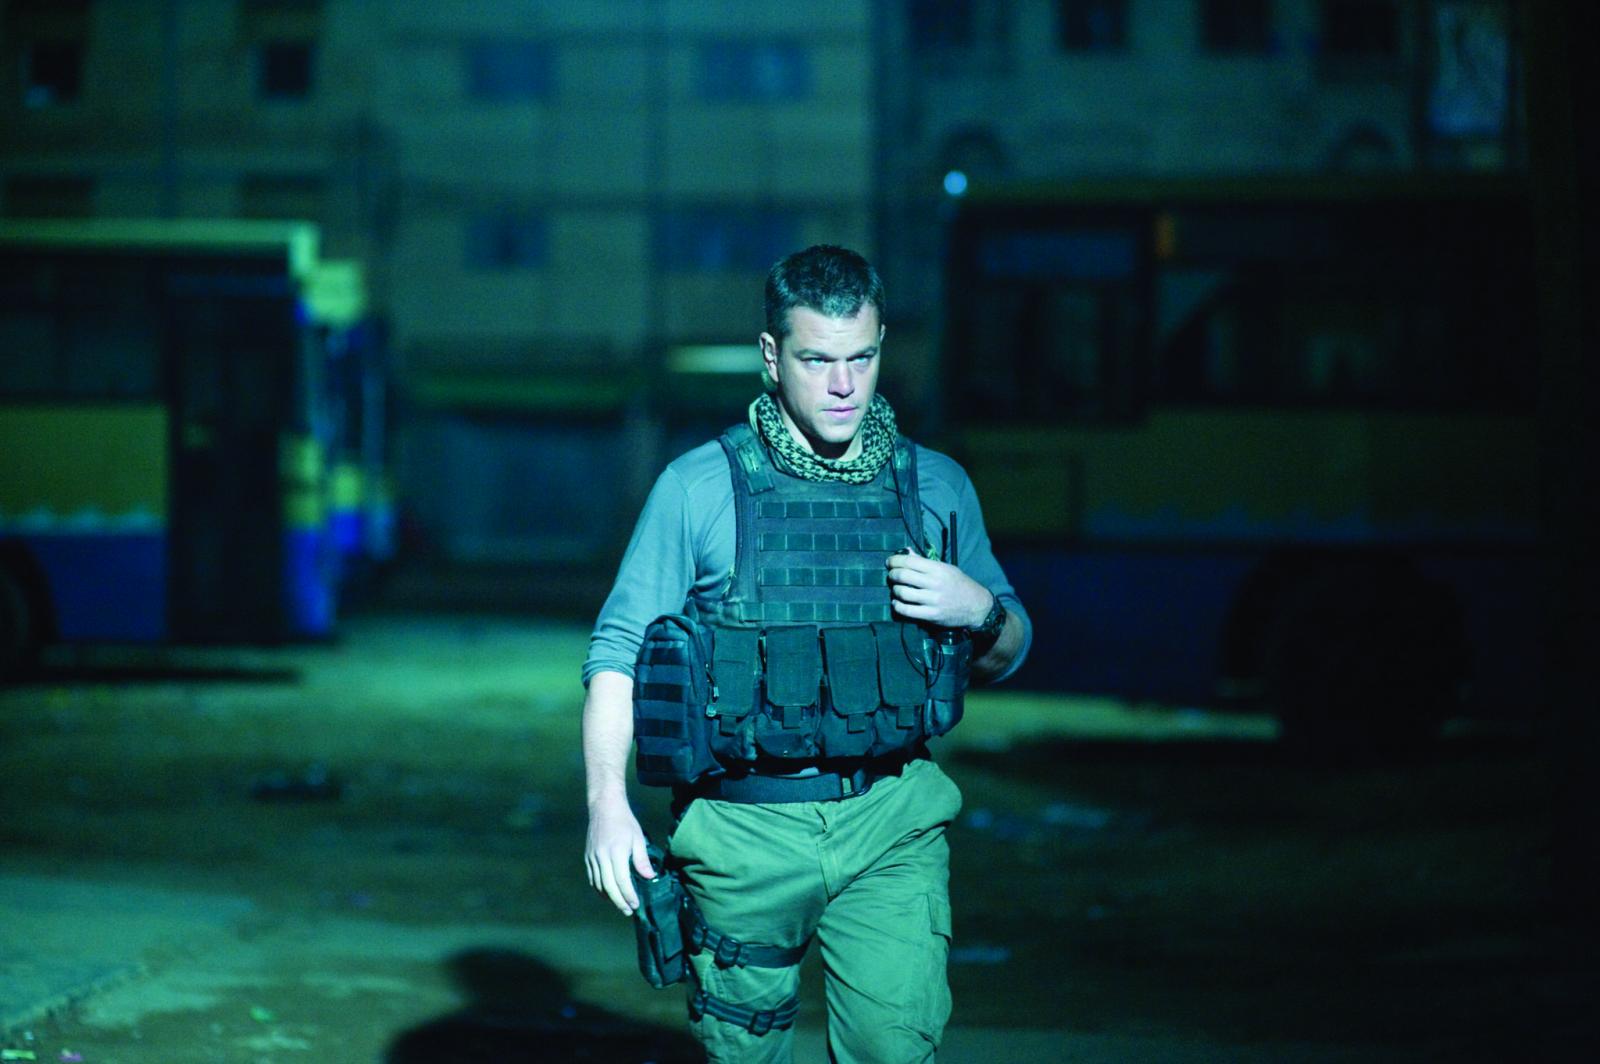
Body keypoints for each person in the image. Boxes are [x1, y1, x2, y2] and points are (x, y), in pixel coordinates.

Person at [582, 245, 1030, 1062]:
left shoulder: (935, 487)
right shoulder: (698, 488)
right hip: (740, 830)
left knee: (895, 1049)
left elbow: (1010, 649)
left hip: (891, 819)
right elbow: (619, 652)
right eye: (817, 360)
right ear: (771, 355)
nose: (844, 384)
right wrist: (606, 803)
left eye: (862, 357)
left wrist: (981, 612)